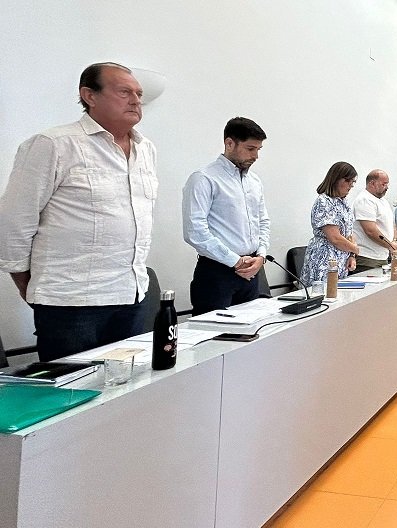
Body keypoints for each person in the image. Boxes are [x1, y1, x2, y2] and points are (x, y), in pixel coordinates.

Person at [0, 62, 156, 361]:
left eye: (138, 93)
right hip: (71, 301)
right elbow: (14, 221)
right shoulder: (54, 144)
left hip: (132, 294)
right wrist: (29, 283)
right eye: (124, 92)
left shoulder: (146, 149)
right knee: (75, 397)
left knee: (131, 395)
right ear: (89, 95)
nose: (136, 100)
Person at [182, 117, 270, 316]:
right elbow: (194, 231)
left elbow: (262, 221)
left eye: (258, 149)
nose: (255, 156)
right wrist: (235, 261)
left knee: (251, 338)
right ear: (229, 143)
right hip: (217, 273)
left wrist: (261, 256)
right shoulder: (204, 178)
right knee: (214, 341)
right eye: (250, 149)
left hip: (252, 270)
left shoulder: (254, 181)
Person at [299, 162, 360, 285]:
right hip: (324, 259)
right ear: (336, 179)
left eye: (353, 182)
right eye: (348, 181)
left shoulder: (344, 202)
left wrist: (352, 255)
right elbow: (335, 238)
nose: (351, 186)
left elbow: (349, 233)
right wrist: (356, 249)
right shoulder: (324, 201)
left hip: (341, 261)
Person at [351, 169, 397, 275]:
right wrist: (390, 245)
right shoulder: (365, 200)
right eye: (384, 184)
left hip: (382, 255)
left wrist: (394, 240)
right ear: (372, 183)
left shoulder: (383, 201)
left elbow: (391, 224)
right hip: (368, 257)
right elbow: (370, 230)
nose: (387, 187)